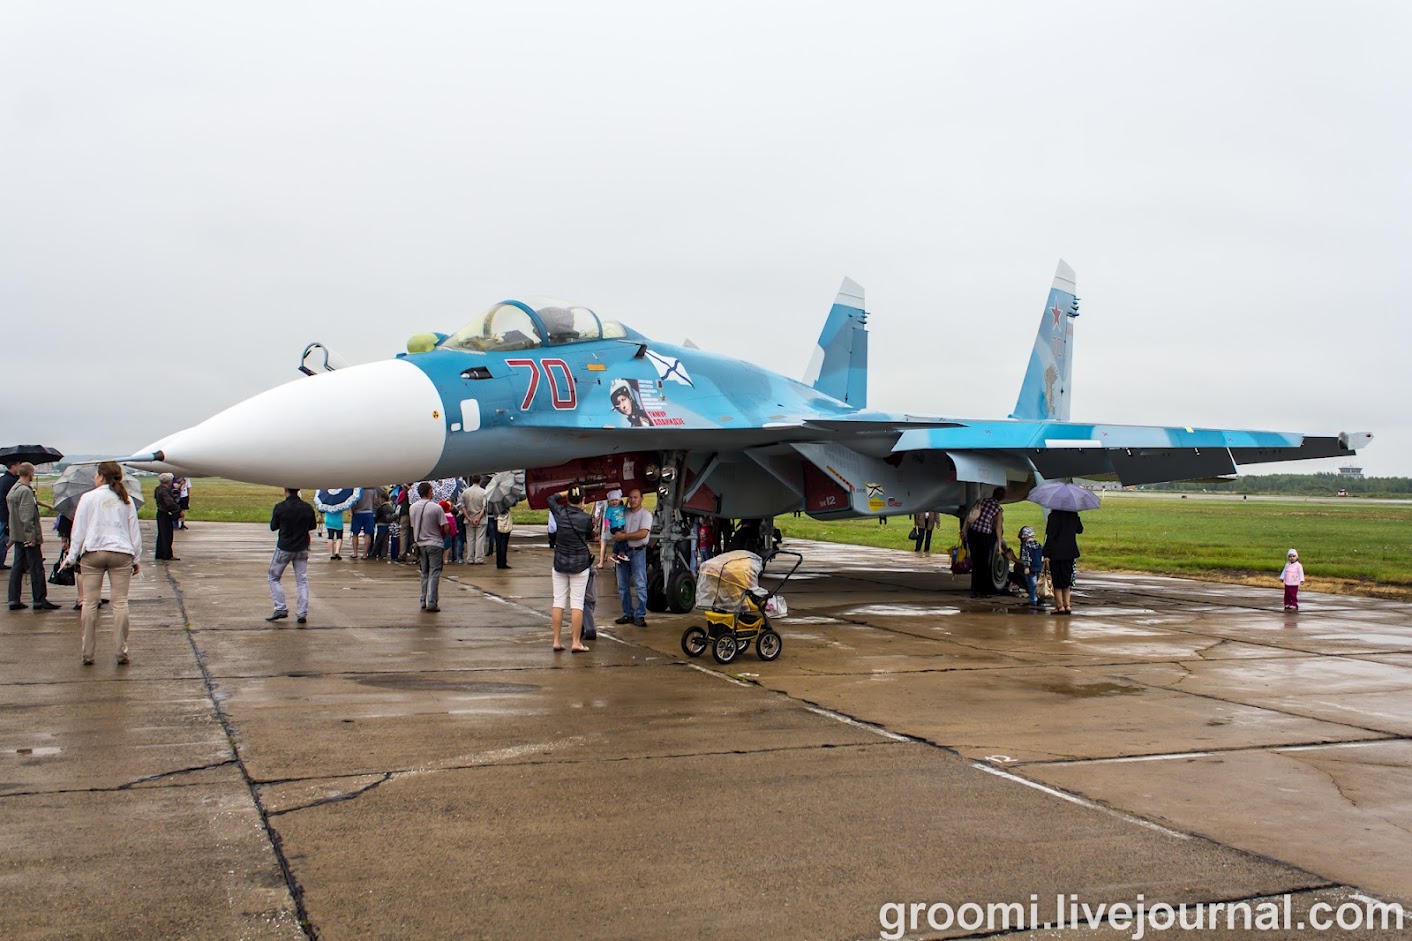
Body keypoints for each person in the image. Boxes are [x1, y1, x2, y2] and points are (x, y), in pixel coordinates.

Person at [63, 461, 142, 664]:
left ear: (100, 476)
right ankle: (121, 651)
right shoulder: (126, 499)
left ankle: (87, 653)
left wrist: (72, 556)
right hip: (121, 552)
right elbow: (134, 530)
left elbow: (79, 530)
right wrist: (136, 558)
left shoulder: (88, 498)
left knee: (89, 603)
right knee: (120, 603)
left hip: (93, 551)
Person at [546, 486, 595, 652]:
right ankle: (576, 642)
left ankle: (556, 640)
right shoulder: (586, 518)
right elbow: (590, 536)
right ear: (582, 500)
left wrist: (565, 492)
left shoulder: (560, 512)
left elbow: (550, 498)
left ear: (568, 499)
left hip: (560, 562)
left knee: (558, 601)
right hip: (580, 564)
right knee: (577, 603)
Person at [6, 462, 60, 610]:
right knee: (36, 568)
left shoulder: (14, 489)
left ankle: (13, 599)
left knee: (17, 567)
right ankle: (39, 599)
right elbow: (26, 516)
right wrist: (31, 537)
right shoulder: (25, 491)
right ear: (30, 473)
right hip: (27, 536)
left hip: (17, 535)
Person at [266, 488, 317, 624]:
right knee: (302, 580)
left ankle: (280, 607)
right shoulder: (307, 507)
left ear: (285, 490)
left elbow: (273, 526)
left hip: (285, 547)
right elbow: (312, 526)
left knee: (273, 577)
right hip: (302, 547)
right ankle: (302, 612)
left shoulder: (280, 507)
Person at [612, 489, 653, 627]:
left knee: (640, 584)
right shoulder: (624, 512)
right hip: (623, 551)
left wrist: (623, 536)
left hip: (637, 551)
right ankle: (628, 613)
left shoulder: (646, 515)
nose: (633, 500)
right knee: (622, 585)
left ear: (641, 498)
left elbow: (643, 533)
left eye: (635, 497)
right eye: (630, 497)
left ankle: (640, 615)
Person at [409, 482, 448, 612]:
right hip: (435, 543)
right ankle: (432, 601)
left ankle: (423, 600)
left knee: (424, 573)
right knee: (434, 572)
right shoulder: (436, 508)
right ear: (429, 491)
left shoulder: (412, 507)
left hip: (420, 543)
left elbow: (413, 525)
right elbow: (445, 526)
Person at [1043, 508, 1083, 616]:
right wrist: (1076, 517)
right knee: (1066, 579)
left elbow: (1050, 536)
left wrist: (1046, 553)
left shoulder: (1053, 516)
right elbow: (1080, 530)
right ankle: (1068, 605)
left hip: (1055, 552)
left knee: (1057, 581)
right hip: (1070, 552)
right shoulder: (1073, 515)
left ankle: (1060, 606)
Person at [965, 487, 1005, 596]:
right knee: (984, 563)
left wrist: (964, 530)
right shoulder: (998, 509)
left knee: (976, 561)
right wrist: (999, 544)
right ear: (1002, 497)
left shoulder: (982, 501)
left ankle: (975, 588)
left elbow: (970, 515)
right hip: (984, 535)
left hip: (973, 532)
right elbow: (998, 527)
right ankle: (983, 590)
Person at [459, 476, 488, 564]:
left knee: (470, 539)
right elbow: (484, 507)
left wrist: (468, 518)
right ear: (480, 481)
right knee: (480, 539)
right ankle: (478, 558)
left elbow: (462, 506)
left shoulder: (465, 492)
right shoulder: (484, 492)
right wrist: (478, 518)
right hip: (481, 519)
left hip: (469, 518)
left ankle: (470, 558)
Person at [153, 473, 181, 561]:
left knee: (161, 534)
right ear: (169, 481)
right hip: (165, 513)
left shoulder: (158, 489)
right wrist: (178, 510)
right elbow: (169, 503)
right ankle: (167, 554)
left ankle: (160, 553)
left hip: (160, 513)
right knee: (167, 535)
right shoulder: (164, 491)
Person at [0, 458, 21, 570]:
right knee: (3, 539)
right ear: (13, 466)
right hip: (5, 514)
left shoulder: (3, 479)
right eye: (18, 465)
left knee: (4, 538)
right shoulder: (11, 481)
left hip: (3, 513)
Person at [1018, 525, 1045, 607]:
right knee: (1040, 584)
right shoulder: (1038, 544)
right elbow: (1042, 556)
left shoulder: (1026, 545)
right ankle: (1041, 599)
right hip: (1039, 566)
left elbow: (1025, 557)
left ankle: (1033, 600)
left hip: (1031, 567)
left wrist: (1026, 567)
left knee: (1032, 584)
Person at [599, 489, 628, 565]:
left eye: (616, 500)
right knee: (621, 539)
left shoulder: (621, 507)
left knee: (618, 540)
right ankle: (621, 553)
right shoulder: (610, 509)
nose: (614, 502)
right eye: (612, 500)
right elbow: (606, 518)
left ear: (619, 500)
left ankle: (615, 554)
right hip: (615, 527)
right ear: (609, 502)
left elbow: (627, 509)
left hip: (621, 526)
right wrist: (606, 526)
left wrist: (628, 501)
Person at [349, 487, 376, 560]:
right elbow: (375, 501)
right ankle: (364, 554)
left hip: (357, 513)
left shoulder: (356, 490)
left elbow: (352, 502)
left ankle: (355, 553)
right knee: (367, 534)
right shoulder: (372, 490)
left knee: (355, 534)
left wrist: (353, 510)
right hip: (369, 512)